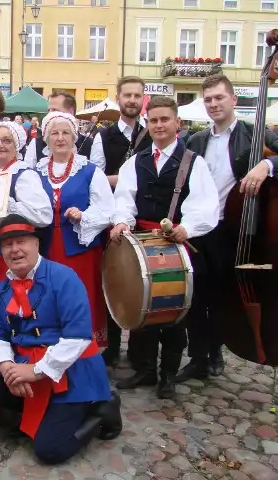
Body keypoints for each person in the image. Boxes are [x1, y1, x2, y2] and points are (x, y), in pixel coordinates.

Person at [0, 214, 122, 465]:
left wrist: (37, 371)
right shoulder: (3, 289)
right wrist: (8, 367)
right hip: (25, 364)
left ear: (36, 244)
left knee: (50, 451)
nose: (15, 249)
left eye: (21, 241)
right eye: (7, 244)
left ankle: (102, 409)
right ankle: (45, 413)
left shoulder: (64, 278)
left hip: (71, 371)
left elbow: (78, 337)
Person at [109, 95, 219, 399]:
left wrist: (188, 228)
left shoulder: (194, 163)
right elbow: (124, 199)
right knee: (142, 309)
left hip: (175, 246)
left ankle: (168, 375)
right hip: (142, 245)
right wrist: (120, 221)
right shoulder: (136, 161)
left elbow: (206, 206)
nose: (159, 125)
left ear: (177, 124)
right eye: (153, 120)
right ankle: (145, 369)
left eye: (164, 119)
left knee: (173, 311)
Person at [176, 74, 278, 383]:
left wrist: (267, 165)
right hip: (200, 229)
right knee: (195, 297)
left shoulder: (253, 134)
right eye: (208, 99)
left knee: (222, 296)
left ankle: (216, 350)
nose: (213, 104)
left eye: (219, 97)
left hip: (237, 229)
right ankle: (197, 357)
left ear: (233, 100)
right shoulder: (195, 140)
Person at [88, 76, 152, 368]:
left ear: (142, 99)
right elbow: (95, 177)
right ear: (118, 97)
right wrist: (124, 178)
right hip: (111, 219)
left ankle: (141, 353)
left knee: (142, 286)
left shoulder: (153, 132)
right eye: (127, 95)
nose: (132, 100)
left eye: (137, 95)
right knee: (113, 281)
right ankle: (111, 347)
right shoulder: (105, 135)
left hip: (144, 217)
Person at [36, 112, 114, 349]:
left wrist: (84, 216)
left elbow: (107, 210)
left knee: (81, 298)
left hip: (81, 251)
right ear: (47, 139)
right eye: (54, 133)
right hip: (46, 250)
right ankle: (50, 349)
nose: (60, 138)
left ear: (74, 137)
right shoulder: (36, 171)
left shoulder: (90, 171)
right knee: (49, 297)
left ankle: (85, 352)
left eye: (65, 133)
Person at [0, 121, 53, 281]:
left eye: (7, 141)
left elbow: (43, 216)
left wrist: (8, 205)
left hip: (9, 255)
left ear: (17, 145)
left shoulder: (23, 174)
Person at [24, 92, 77, 168]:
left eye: (54, 110)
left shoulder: (87, 144)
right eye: (49, 110)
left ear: (70, 112)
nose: (49, 114)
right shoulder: (36, 144)